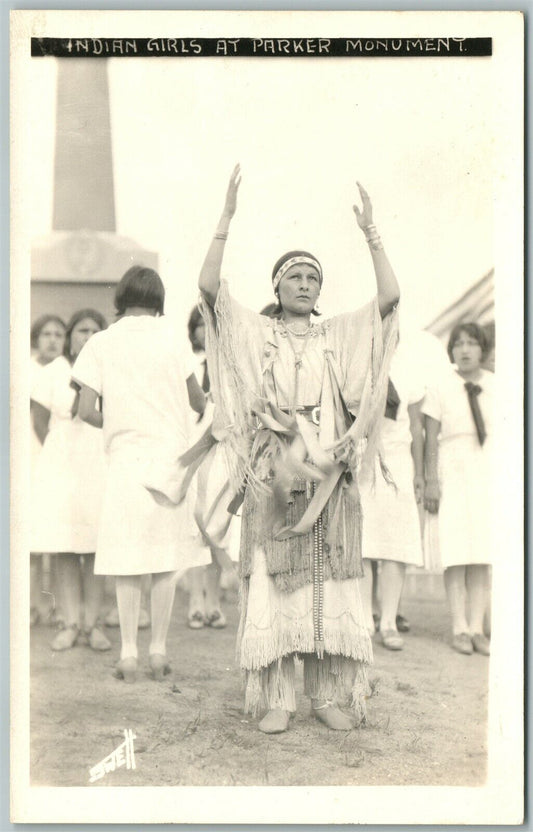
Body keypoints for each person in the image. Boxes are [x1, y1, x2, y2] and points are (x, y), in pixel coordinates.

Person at [197, 165, 400, 733]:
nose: (306, 284)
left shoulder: (337, 334)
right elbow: (210, 291)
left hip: (329, 467)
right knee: (275, 572)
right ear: (277, 288)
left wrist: (372, 234)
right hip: (274, 473)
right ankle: (281, 695)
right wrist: (226, 219)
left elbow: (389, 299)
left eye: (313, 277)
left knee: (330, 574)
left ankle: (328, 694)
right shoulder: (259, 335)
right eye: (295, 277)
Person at [73, 266, 209, 683]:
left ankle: (128, 653)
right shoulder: (172, 341)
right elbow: (199, 401)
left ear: (122, 298)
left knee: (127, 558)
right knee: (165, 560)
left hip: (126, 461)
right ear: (159, 301)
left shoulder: (100, 342)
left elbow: (84, 410)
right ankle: (159, 651)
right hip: (170, 459)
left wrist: (118, 425)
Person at [31, 309, 111, 651]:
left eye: (95, 330)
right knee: (65, 545)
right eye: (81, 330)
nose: (88, 336)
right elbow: (39, 420)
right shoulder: (54, 372)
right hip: (61, 462)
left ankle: (92, 624)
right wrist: (58, 455)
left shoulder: (110, 372)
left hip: (98, 460)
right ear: (69, 335)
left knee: (94, 546)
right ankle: (69, 621)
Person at [423, 322, 493, 656]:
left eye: (472, 344)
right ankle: (459, 628)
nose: (465, 350)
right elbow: (430, 438)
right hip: (452, 469)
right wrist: (431, 480)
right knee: (457, 552)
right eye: (459, 344)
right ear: (451, 351)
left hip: (486, 469)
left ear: (483, 349)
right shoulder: (440, 386)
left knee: (482, 553)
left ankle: (478, 628)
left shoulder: (498, 385)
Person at [359, 344, 425, 650]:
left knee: (394, 547)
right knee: (364, 545)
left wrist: (420, 474)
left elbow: (417, 428)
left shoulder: (409, 370)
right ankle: (364, 621)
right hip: (363, 461)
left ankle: (388, 622)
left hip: (398, 462)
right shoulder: (357, 366)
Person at [183, 306, 229, 630]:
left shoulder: (231, 371)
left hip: (222, 456)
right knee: (191, 529)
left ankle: (213, 599)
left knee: (215, 527)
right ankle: (194, 600)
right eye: (200, 325)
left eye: (212, 325)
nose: (206, 331)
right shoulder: (186, 368)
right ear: (193, 332)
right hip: (190, 452)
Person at [30, 314, 67, 625]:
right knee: (27, 540)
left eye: (58, 334)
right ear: (36, 339)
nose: (53, 340)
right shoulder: (25, 370)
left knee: (52, 536)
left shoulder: (66, 371)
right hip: (28, 454)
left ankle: (50, 605)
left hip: (54, 459)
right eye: (46, 334)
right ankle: (28, 604)